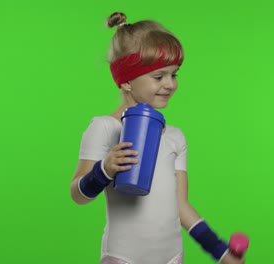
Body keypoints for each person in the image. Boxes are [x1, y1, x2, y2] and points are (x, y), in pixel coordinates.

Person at [70, 11, 246, 264]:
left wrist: (220, 252)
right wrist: (104, 170)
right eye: (158, 76)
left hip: (171, 257)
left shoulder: (175, 137)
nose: (170, 84)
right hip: (123, 257)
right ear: (126, 81)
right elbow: (77, 195)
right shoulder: (105, 128)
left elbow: (181, 206)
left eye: (174, 74)